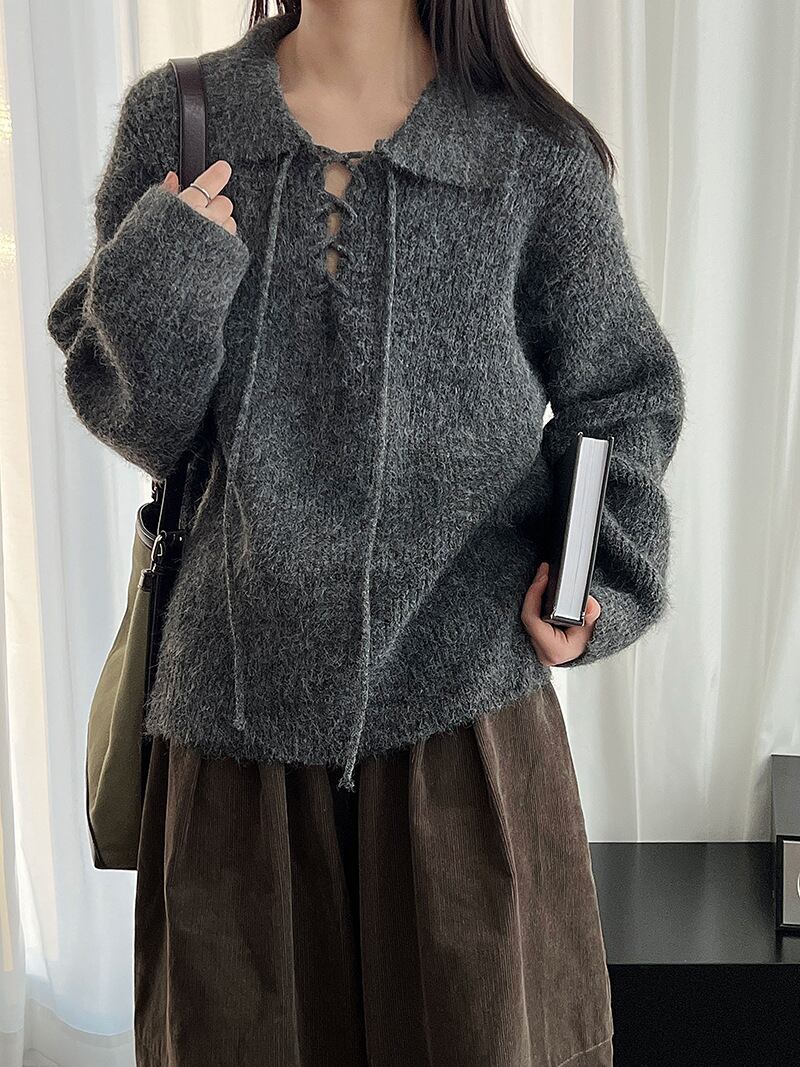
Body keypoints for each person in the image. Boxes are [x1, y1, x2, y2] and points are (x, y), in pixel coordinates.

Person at [46, 2, 685, 1064]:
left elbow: (623, 397)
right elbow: (140, 422)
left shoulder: (533, 153)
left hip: (469, 737)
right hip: (231, 740)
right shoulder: (181, 119)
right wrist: (174, 264)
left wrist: (591, 578)